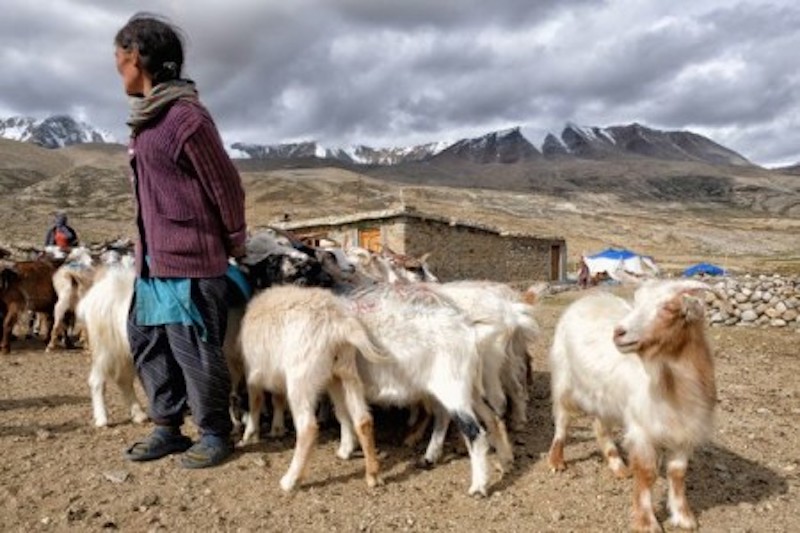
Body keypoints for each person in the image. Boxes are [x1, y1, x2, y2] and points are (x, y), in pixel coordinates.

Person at [114, 13, 247, 469]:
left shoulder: (185, 117)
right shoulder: (146, 120)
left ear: (136, 56)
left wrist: (235, 238)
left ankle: (214, 432)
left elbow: (225, 185)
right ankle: (168, 427)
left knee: (195, 348)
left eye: (119, 57)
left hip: (191, 257)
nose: (117, 67)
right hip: (152, 262)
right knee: (147, 341)